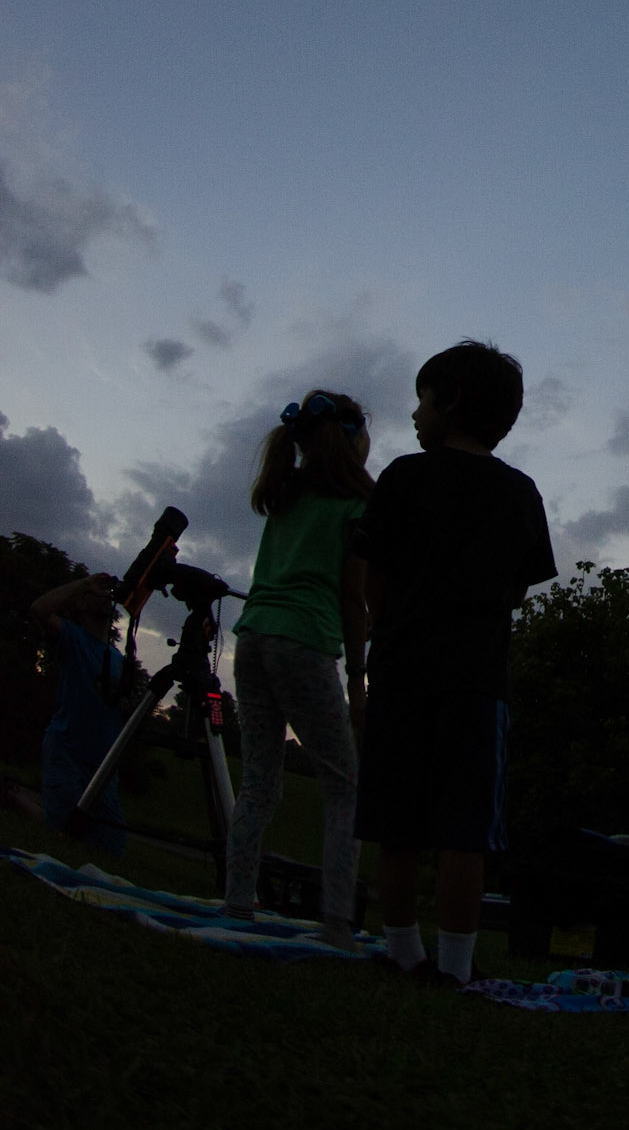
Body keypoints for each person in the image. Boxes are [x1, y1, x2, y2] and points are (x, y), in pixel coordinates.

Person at [353, 340, 557, 986]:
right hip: (477, 682)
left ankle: (403, 952)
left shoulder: (402, 476)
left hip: (400, 672)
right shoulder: (521, 492)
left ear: (451, 400)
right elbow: (520, 588)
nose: (415, 414)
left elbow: (372, 578)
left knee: (397, 824)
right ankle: (457, 968)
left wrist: (390, 628)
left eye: (421, 399)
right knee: (466, 832)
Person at [223, 389, 374, 948]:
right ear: (354, 439)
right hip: (305, 642)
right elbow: (352, 600)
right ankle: (337, 924)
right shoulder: (358, 505)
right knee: (345, 786)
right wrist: (358, 683)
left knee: (260, 779)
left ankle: (237, 901)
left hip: (254, 635)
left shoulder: (285, 491)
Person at [30, 570, 131, 856]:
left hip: (102, 766)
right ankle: (19, 800)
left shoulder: (117, 659)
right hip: (67, 752)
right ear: (81, 604)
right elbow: (39, 609)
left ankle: (19, 800)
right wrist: (84, 583)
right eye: (95, 594)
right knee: (63, 832)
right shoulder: (71, 636)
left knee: (112, 850)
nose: (105, 597)